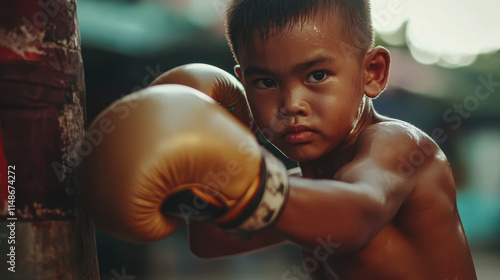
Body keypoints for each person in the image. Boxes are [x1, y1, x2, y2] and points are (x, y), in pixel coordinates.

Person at [77, 0, 477, 279]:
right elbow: (212, 240)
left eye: (317, 75)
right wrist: (204, 175)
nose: (291, 104)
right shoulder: (306, 191)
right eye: (265, 82)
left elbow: (360, 213)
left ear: (372, 72)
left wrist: (249, 183)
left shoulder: (398, 145)